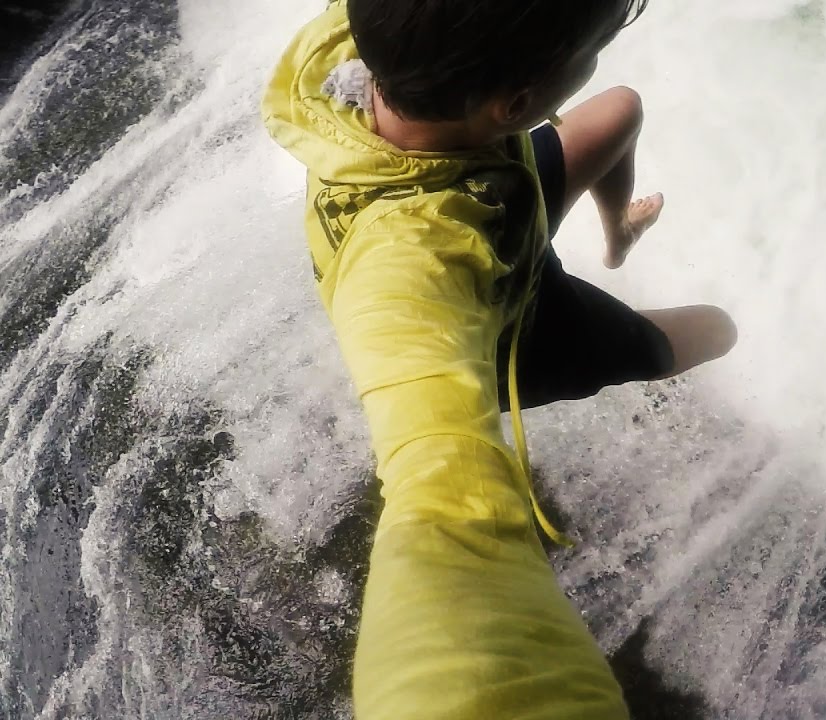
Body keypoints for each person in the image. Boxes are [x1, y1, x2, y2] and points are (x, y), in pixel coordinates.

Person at [262, 1, 736, 718]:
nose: (591, 64)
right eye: (589, 54)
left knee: (620, 110)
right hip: (525, 332)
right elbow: (438, 500)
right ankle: (643, 336)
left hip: (488, 191)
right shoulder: (404, 273)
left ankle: (617, 236)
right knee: (718, 329)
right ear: (516, 104)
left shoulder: (378, 40)